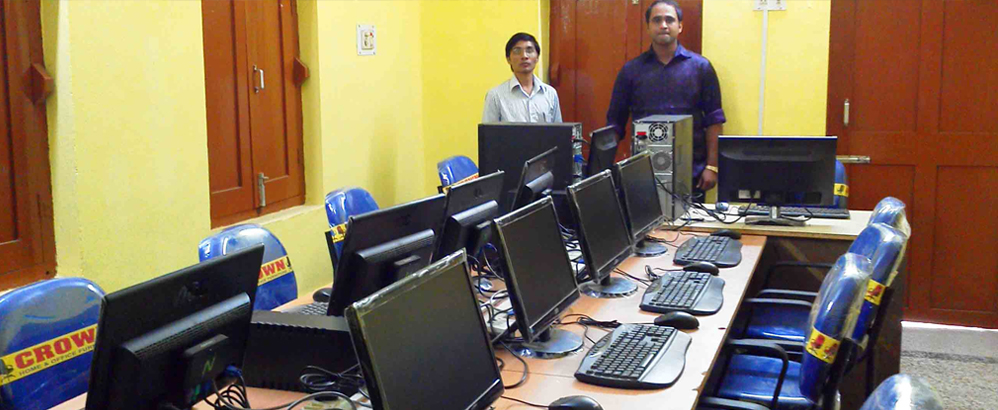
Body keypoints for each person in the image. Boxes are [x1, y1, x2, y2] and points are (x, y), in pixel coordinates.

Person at [606, 0, 725, 199]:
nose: (663, 25)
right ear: (648, 27)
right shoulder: (631, 71)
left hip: (692, 173)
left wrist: (712, 166)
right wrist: (604, 167)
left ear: (680, 26)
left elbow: (714, 120)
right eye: (657, 20)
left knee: (691, 221)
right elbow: (615, 124)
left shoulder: (701, 68)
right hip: (643, 173)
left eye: (669, 20)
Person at [482, 32, 563, 123]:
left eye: (529, 51)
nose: (524, 56)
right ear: (508, 59)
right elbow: (488, 131)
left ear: (537, 57)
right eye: (517, 51)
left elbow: (558, 129)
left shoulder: (550, 94)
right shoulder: (495, 96)